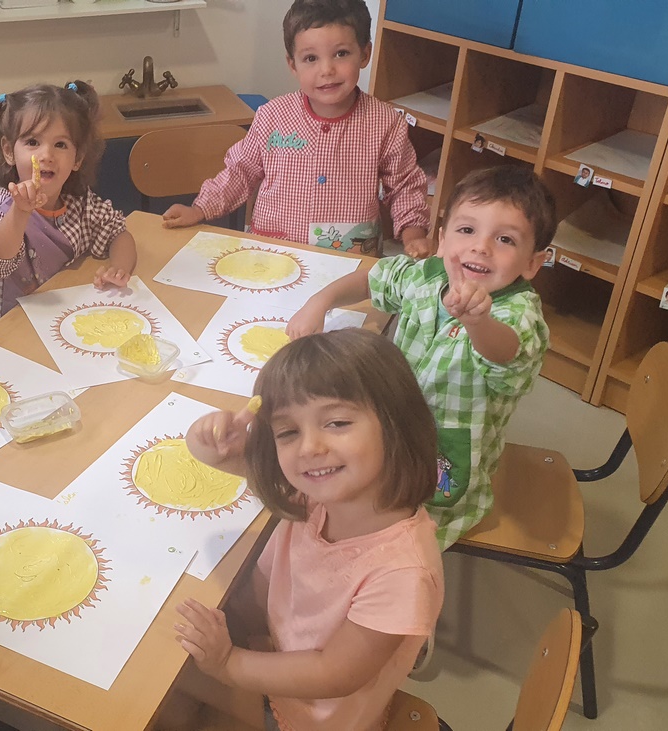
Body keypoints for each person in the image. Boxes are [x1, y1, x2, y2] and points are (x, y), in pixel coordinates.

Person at [176, 329, 444, 731]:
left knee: (165, 687)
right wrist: (209, 441)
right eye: (288, 432)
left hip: (309, 716)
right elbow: (235, 462)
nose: (309, 447)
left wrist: (228, 663)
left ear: (398, 425)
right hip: (274, 650)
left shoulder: (403, 573)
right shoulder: (324, 494)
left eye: (337, 422)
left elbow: (333, 673)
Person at [286, 166, 554, 548]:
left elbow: (506, 355)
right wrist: (320, 301)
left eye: (505, 239)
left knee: (391, 542)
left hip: (440, 467)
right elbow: (374, 278)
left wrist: (478, 323)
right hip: (391, 434)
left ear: (532, 263)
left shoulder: (518, 314)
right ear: (442, 239)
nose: (481, 247)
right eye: (467, 230)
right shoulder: (427, 276)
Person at [160, 0, 432, 257]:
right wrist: (200, 208)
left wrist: (413, 234)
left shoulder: (386, 122)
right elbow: (240, 172)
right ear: (293, 64)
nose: (327, 69)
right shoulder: (272, 116)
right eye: (311, 58)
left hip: (349, 262)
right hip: (274, 256)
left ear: (365, 53)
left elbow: (405, 185)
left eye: (341, 54)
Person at [0, 81, 137, 327]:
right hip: (10, 330)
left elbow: (118, 233)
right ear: (8, 151)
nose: (46, 155)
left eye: (60, 145)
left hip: (66, 318)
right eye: (32, 142)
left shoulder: (79, 203)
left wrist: (119, 269)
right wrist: (20, 211)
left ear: (77, 158)